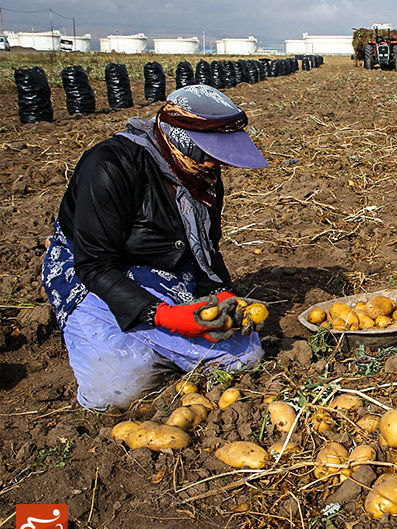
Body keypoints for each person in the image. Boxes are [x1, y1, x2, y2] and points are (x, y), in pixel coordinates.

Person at [42, 84, 268, 411]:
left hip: (166, 271)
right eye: (209, 153)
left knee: (245, 356)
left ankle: (150, 342)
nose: (215, 165)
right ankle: (127, 335)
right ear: (180, 140)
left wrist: (221, 294)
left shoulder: (201, 179)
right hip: (95, 277)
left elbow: (205, 251)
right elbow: (93, 265)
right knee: (117, 390)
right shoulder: (110, 166)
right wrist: (165, 316)